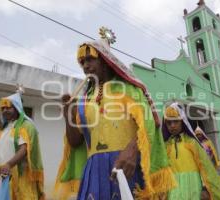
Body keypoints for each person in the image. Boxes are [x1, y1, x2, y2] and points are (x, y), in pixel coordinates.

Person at [56, 30, 175, 200]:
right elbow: (75, 142)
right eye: (82, 62)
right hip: (94, 170)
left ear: (105, 60)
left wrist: (132, 150)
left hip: (128, 166)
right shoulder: (83, 101)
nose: (85, 66)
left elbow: (150, 122)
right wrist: (68, 114)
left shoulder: (129, 88)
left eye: (90, 59)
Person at [162, 102, 220, 200]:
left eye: (176, 121)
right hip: (173, 189)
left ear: (182, 122)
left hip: (193, 187)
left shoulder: (192, 143)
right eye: (169, 122)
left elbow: (205, 167)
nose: (172, 125)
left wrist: (205, 188)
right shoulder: (166, 146)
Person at [0, 91, 44, 199]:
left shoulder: (26, 126)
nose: (5, 110)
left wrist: (9, 165)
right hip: (0, 178)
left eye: (9, 107)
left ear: (17, 108)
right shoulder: (1, 131)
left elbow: (24, 149)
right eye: (3, 108)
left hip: (20, 179)